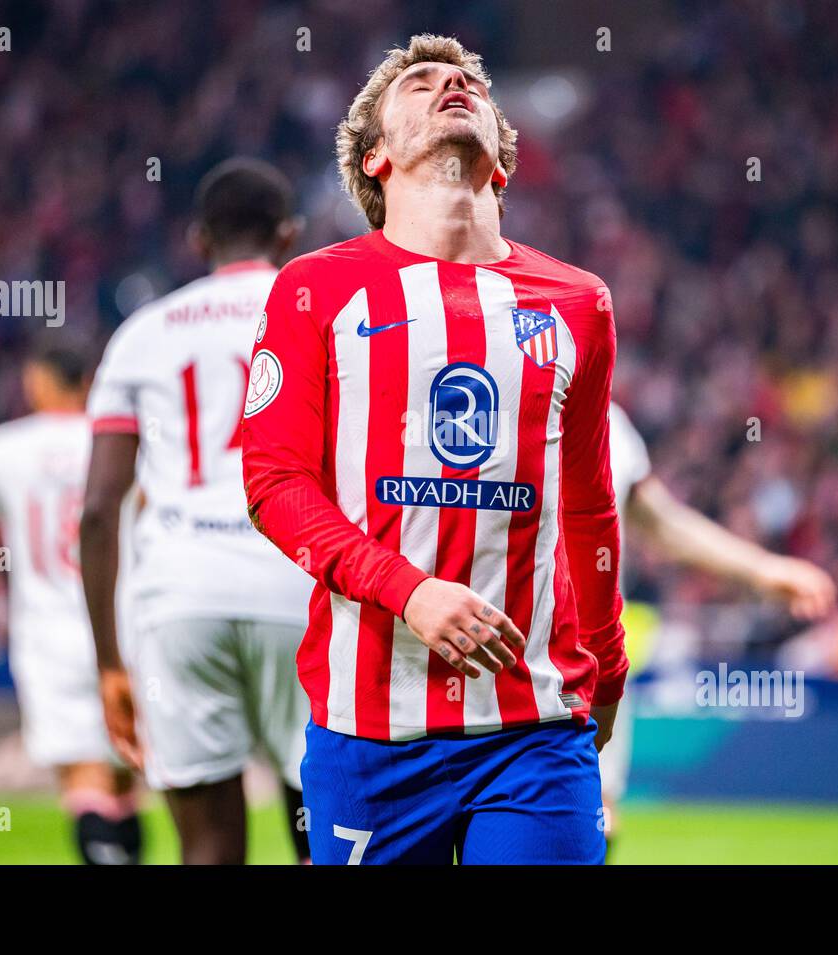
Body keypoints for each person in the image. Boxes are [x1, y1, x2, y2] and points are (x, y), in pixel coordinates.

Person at [241, 35, 624, 864]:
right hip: (369, 725)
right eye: (421, 83)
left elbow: (590, 505)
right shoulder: (314, 288)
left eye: (469, 84)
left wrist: (611, 667)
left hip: (534, 726)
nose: (453, 83)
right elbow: (274, 484)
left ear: (503, 164)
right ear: (375, 158)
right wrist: (410, 592)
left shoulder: (580, 303)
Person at [80, 158, 313, 864]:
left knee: (208, 848)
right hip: (300, 588)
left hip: (179, 595)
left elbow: (96, 512)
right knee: (330, 834)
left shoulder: (142, 334)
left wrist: (110, 663)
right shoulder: (324, 314)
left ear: (198, 240)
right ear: (288, 235)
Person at [599, 401, 837, 845]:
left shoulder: (608, 421)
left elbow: (662, 522)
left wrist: (763, 569)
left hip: (591, 668)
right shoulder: (475, 387)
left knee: (595, 826)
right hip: (488, 669)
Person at [0, 344, 142, 864]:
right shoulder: (120, 441)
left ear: (35, 379)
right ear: (88, 381)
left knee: (83, 779)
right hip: (121, 628)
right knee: (121, 774)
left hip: (47, 637)